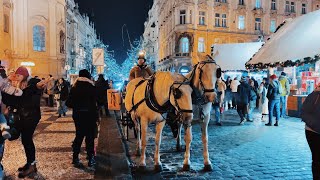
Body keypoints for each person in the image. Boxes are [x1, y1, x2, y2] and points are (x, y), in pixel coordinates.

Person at [3, 66, 47, 178]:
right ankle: (30, 163)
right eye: (16, 75)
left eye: (19, 75)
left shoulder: (32, 82)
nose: (17, 77)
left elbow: (28, 93)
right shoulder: (18, 85)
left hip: (31, 117)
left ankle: (31, 165)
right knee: (25, 140)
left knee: (27, 140)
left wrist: (37, 86)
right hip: (23, 116)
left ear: (24, 74)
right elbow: (15, 99)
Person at [66, 69, 99, 168]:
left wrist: (77, 105)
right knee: (89, 137)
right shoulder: (92, 87)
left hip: (78, 116)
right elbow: (97, 101)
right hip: (90, 116)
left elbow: (68, 103)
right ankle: (90, 158)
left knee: (79, 136)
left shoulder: (74, 87)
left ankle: (75, 158)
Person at [301, 84, 320, 180]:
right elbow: (304, 113)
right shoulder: (314, 96)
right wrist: (315, 125)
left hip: (313, 129)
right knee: (317, 159)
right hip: (313, 132)